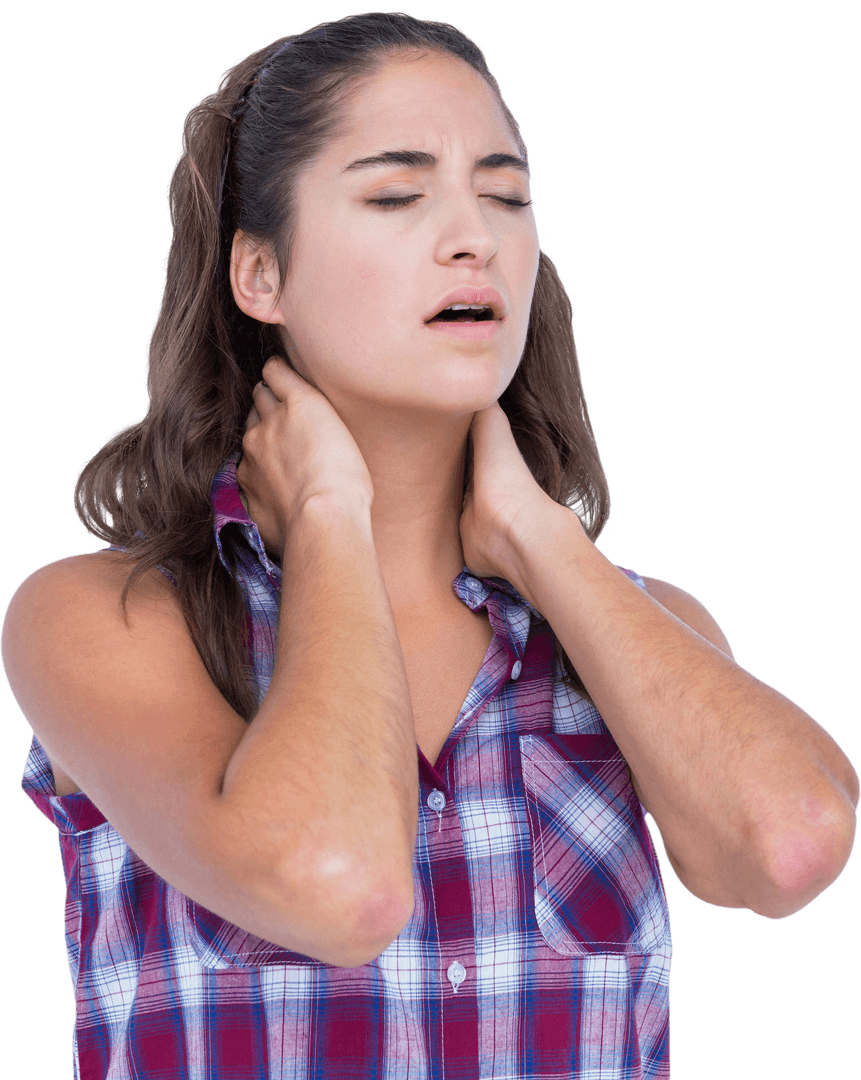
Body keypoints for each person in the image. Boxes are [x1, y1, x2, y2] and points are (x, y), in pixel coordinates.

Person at [1, 10, 857, 1080]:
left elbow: (792, 851)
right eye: (398, 195)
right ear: (259, 273)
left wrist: (546, 543)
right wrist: (326, 516)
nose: (476, 237)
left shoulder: (637, 626)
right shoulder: (108, 621)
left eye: (506, 194)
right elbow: (340, 885)